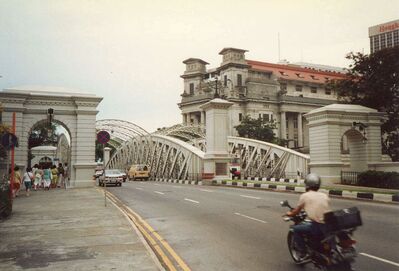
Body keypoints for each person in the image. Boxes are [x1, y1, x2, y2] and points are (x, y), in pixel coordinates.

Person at [286, 173, 331, 259]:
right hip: (329, 224)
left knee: (295, 229)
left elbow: (297, 211)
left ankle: (303, 251)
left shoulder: (305, 196)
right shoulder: (324, 195)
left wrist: (289, 213)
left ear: (307, 185)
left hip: (318, 226)